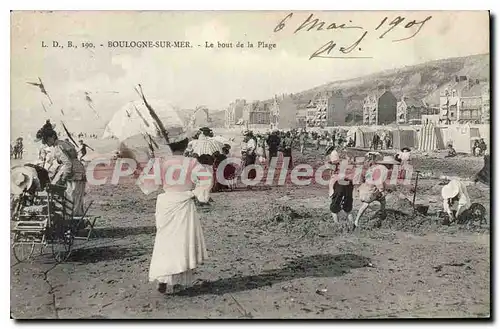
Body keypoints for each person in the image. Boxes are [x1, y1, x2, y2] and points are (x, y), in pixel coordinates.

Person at [134, 135, 211, 294]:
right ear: (185, 147)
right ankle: (177, 279)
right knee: (182, 242)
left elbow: (147, 184)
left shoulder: (162, 163)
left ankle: (163, 278)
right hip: (183, 202)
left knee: (165, 241)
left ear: (170, 147)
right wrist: (198, 193)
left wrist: (151, 165)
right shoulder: (191, 162)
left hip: (166, 203)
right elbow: (206, 178)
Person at [36, 124, 86, 216]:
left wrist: (63, 178)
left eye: (46, 140)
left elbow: (68, 164)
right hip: (79, 171)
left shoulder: (58, 147)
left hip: (74, 174)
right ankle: (76, 222)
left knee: (71, 200)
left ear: (52, 137)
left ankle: (72, 223)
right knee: (77, 200)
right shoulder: (63, 143)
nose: (46, 143)